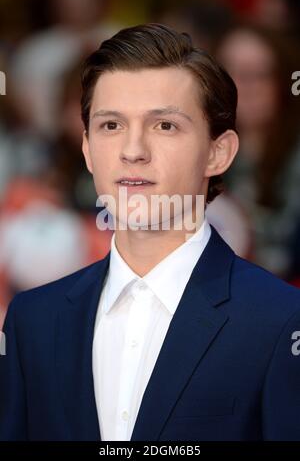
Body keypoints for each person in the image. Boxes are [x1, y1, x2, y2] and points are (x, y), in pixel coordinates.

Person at [0, 23, 300, 442]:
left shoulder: (282, 322)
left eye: (164, 126)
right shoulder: (32, 321)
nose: (133, 150)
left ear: (219, 152)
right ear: (87, 149)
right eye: (111, 126)